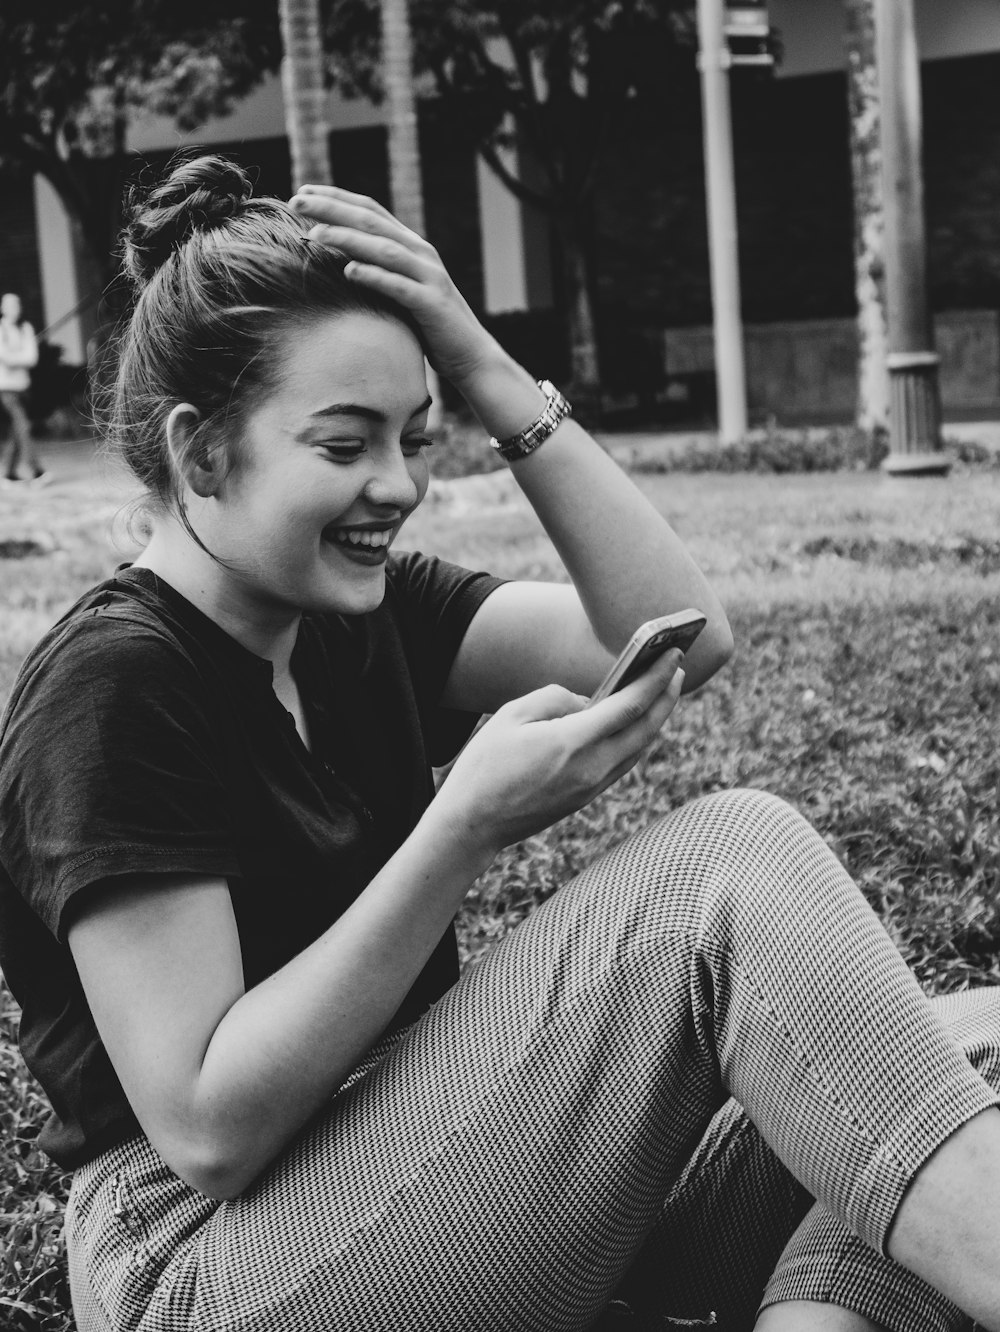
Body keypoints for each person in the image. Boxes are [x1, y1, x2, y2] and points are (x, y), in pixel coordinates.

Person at [1, 154, 1000, 1332]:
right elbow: (209, 1128)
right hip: (208, 1265)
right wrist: (463, 826)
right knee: (726, 869)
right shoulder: (116, 684)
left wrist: (477, 355)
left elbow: (676, 636)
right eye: (344, 444)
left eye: (417, 437)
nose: (399, 485)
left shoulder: (355, 612)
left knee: (949, 1051)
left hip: (439, 1173)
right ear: (201, 452)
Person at [0, 291, 47, 486]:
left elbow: (31, 359)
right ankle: (36, 471)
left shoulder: (26, 328)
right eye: (10, 305)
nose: (14, 309)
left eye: (17, 305)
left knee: (17, 431)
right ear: (3, 307)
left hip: (23, 387)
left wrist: (15, 357)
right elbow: (7, 360)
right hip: (6, 389)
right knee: (23, 425)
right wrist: (20, 356)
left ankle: (8, 474)